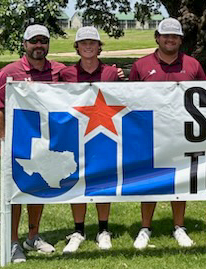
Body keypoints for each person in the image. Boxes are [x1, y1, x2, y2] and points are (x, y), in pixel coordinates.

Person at [129, 18, 205, 249]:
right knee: (149, 180)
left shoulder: (193, 65)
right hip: (150, 133)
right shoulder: (141, 66)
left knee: (179, 180)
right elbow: (129, 98)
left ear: (181, 40)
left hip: (183, 134)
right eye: (165, 35)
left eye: (175, 36)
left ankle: (179, 226)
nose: (170, 39)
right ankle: (145, 227)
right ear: (157, 37)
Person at [0, 24, 62, 263]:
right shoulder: (9, 72)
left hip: (47, 141)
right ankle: (12, 241)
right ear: (24, 44)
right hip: (18, 143)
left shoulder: (58, 72)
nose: (39, 45)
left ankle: (33, 236)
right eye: (34, 41)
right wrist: (1, 142)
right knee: (15, 192)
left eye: (43, 41)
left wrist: (115, 75)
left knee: (38, 188)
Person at [59, 26, 121, 253]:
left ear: (99, 47)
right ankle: (79, 229)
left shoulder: (111, 74)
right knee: (77, 178)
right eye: (83, 43)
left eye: (92, 43)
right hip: (75, 134)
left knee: (103, 179)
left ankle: (103, 229)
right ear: (77, 47)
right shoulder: (65, 75)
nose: (88, 46)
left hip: (105, 132)